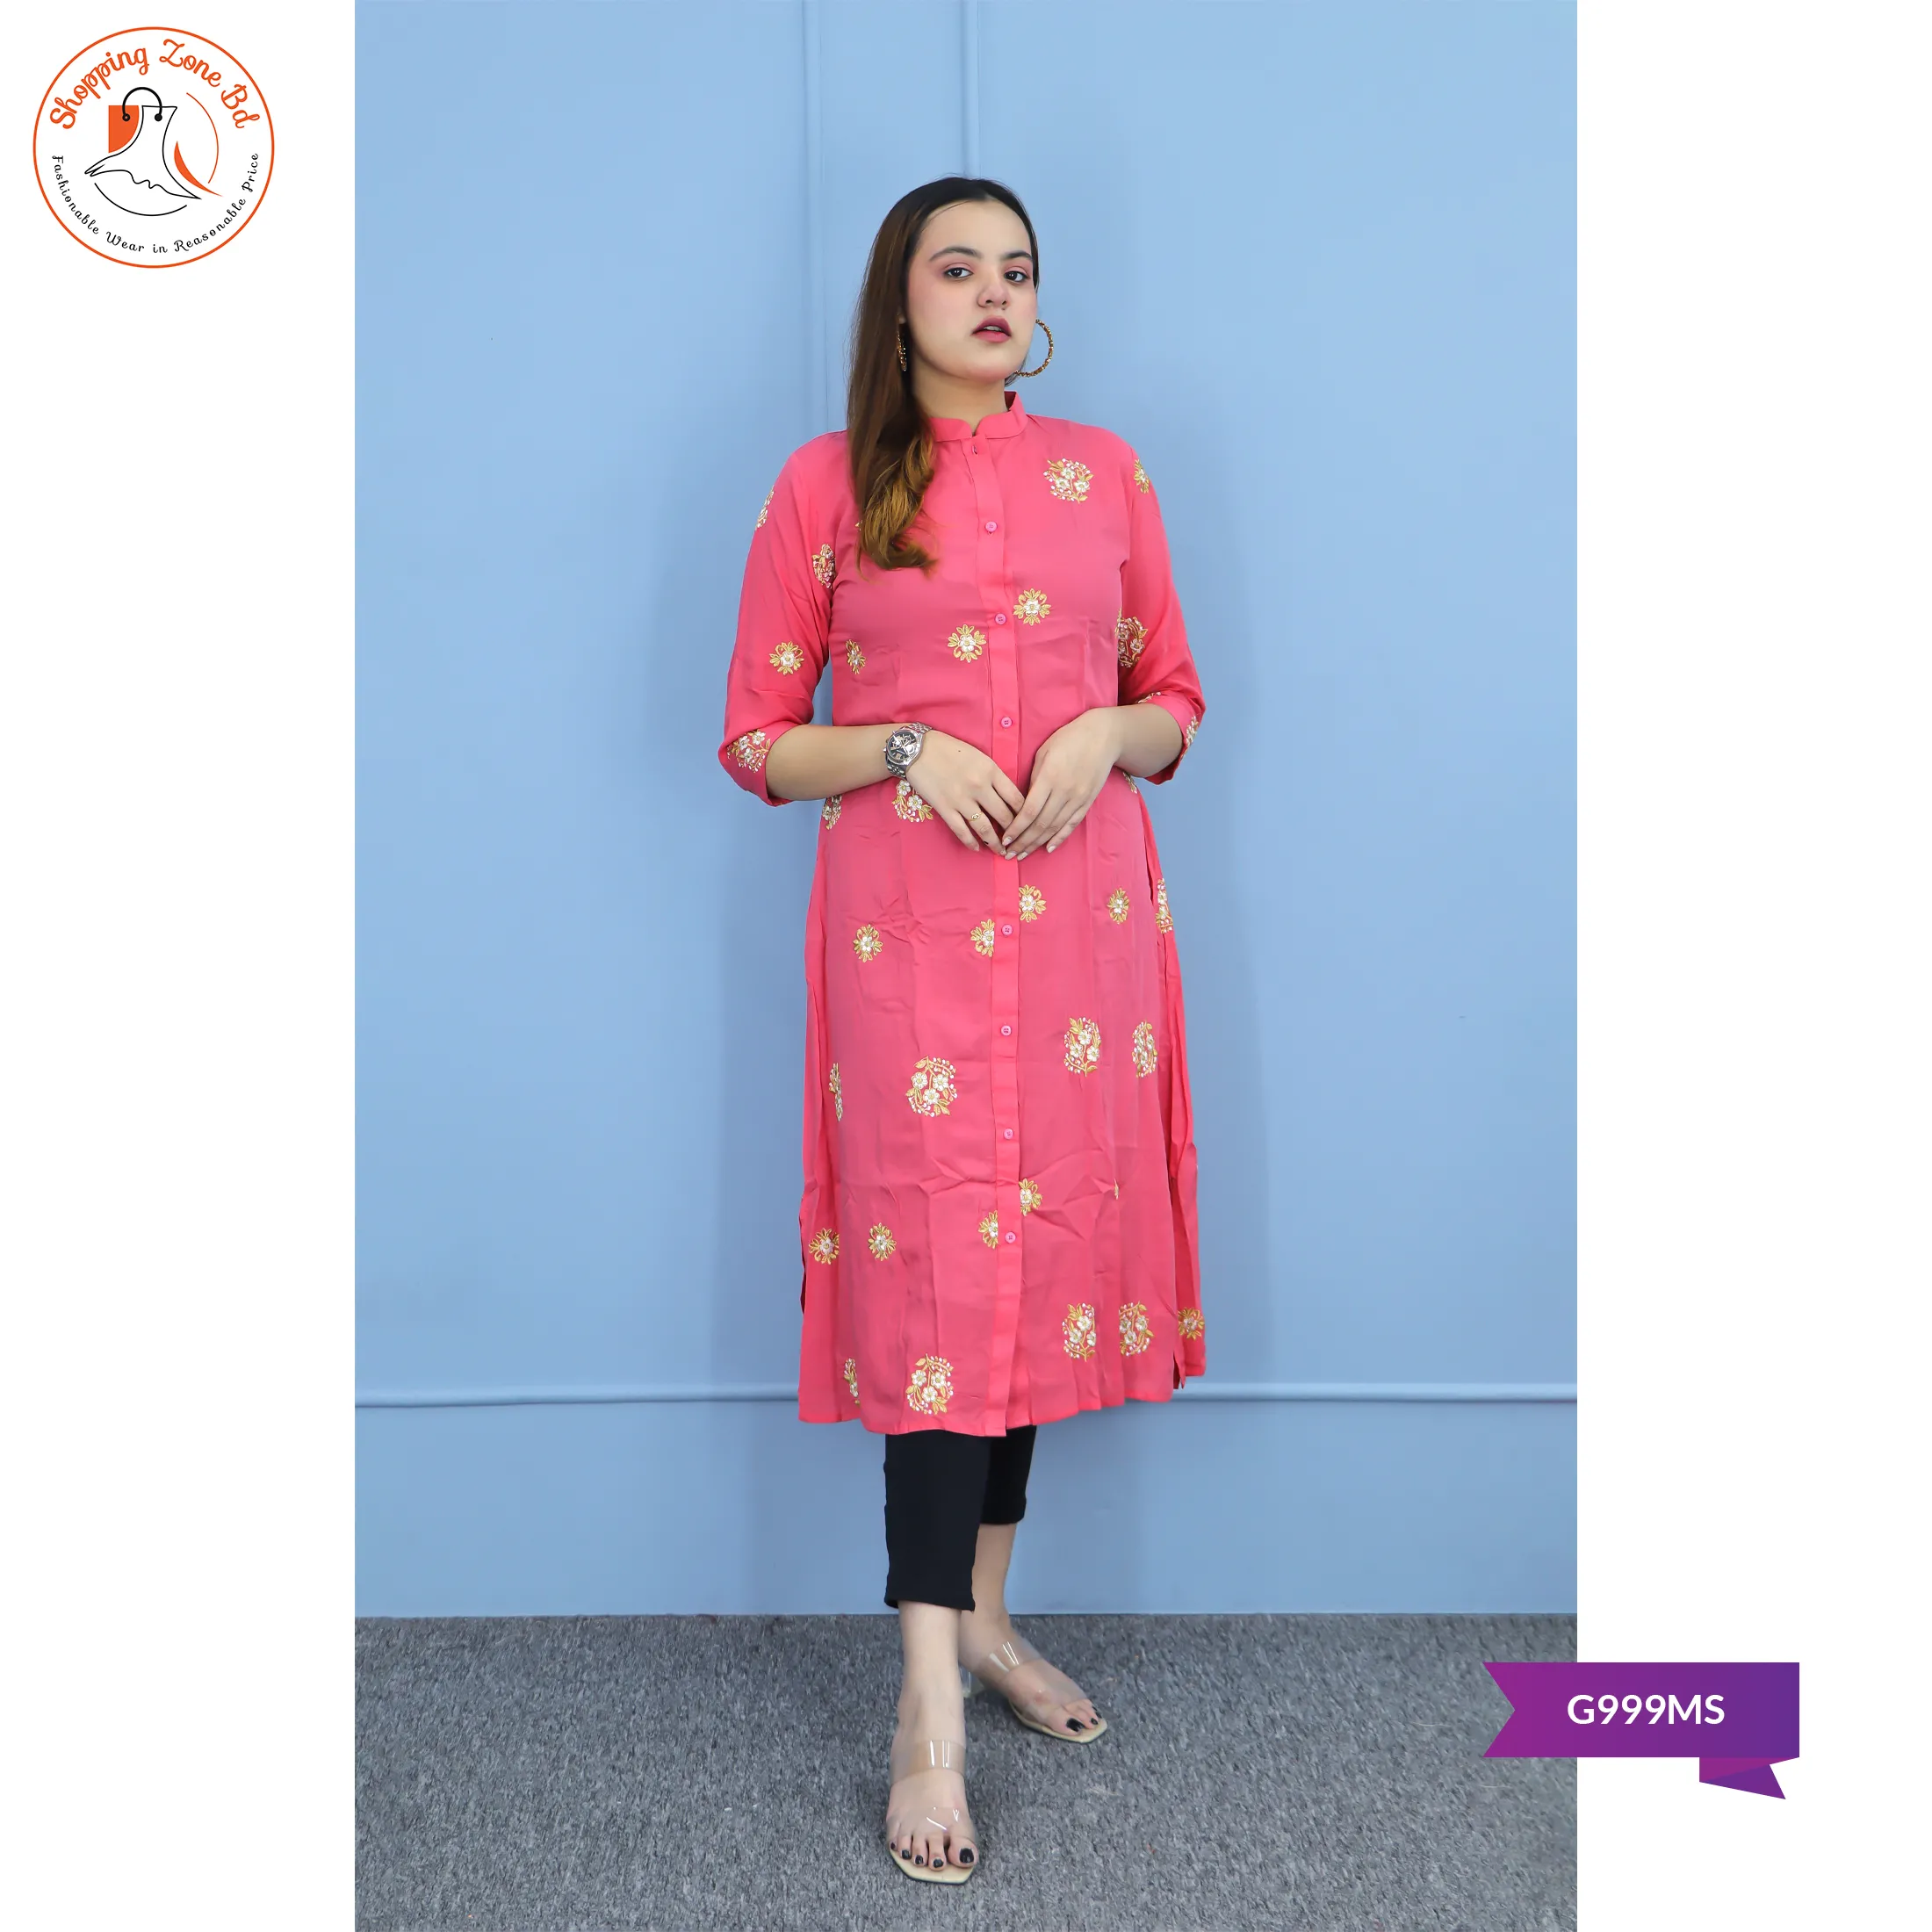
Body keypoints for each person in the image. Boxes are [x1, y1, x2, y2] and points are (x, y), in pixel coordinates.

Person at [717, 177, 1208, 1884]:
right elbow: (757, 740)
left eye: (1018, 269)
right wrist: (908, 748)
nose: (995, 292)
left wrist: (1105, 732)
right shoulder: (825, 485)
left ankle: (989, 1619)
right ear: (899, 299)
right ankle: (924, 1697)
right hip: (908, 935)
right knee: (940, 1272)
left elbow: (1176, 698)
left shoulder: (1106, 474)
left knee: (1038, 1258)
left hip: (1081, 933)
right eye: (958, 267)